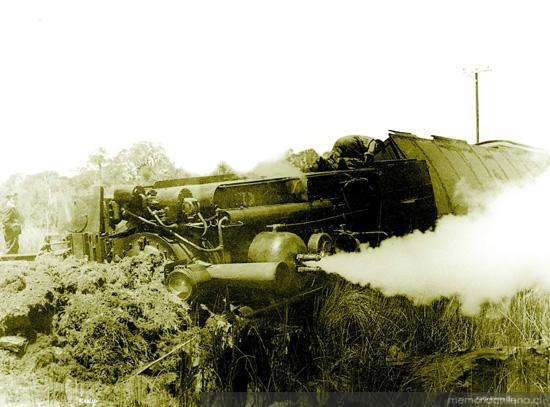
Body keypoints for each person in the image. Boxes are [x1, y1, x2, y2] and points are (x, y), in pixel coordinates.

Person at [317, 135, 384, 171]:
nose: (377, 152)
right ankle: (342, 162)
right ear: (378, 145)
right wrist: (368, 162)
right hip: (353, 142)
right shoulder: (374, 142)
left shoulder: (365, 138)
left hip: (340, 141)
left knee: (333, 159)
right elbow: (369, 153)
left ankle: (324, 162)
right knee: (359, 161)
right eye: (379, 150)